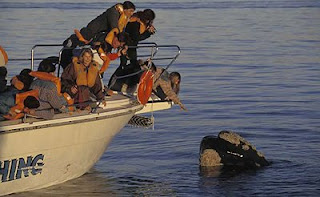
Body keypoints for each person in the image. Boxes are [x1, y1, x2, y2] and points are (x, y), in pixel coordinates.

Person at [108, 9, 156, 91]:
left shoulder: (137, 20)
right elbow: (136, 37)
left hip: (130, 46)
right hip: (128, 46)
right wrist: (148, 33)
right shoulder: (135, 23)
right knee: (128, 65)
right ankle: (115, 85)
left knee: (128, 65)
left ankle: (124, 84)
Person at [63, 1, 135, 49]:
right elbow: (114, 27)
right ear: (125, 9)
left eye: (133, 12)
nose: (131, 13)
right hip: (95, 28)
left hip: (101, 33)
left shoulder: (124, 17)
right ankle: (72, 40)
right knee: (84, 39)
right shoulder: (114, 12)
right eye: (130, 11)